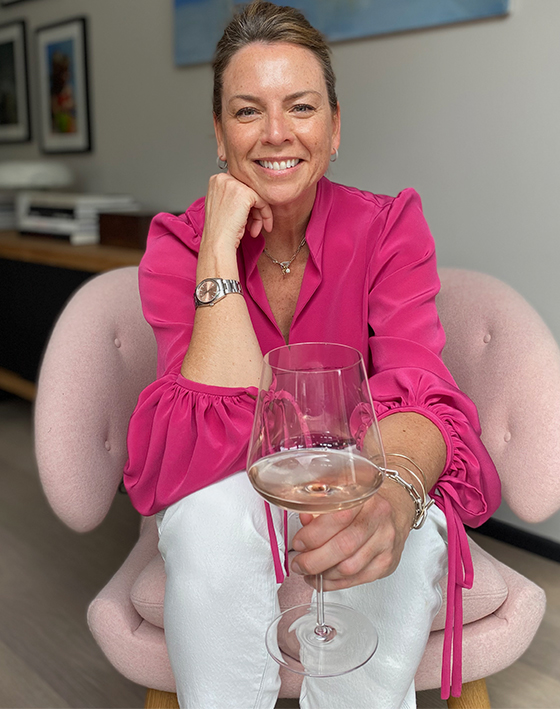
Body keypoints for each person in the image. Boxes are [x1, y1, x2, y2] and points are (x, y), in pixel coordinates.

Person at [124, 2, 501, 707]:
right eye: (246, 111)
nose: (275, 134)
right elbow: (198, 444)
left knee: (403, 524)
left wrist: (392, 491)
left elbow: (420, 395)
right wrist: (217, 254)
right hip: (232, 487)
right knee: (210, 519)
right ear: (217, 133)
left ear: (334, 128)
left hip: (355, 463)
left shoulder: (388, 228)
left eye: (300, 106)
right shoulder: (181, 243)